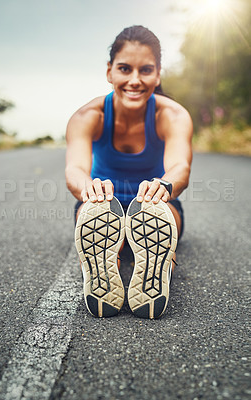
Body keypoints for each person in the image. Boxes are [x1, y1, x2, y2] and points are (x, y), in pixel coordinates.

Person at [65, 25, 193, 319]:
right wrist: (89, 187)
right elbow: (75, 169)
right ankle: (104, 262)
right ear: (110, 71)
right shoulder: (87, 116)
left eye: (145, 70)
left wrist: (164, 185)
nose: (135, 80)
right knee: (93, 210)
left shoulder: (172, 115)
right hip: (101, 203)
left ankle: (161, 265)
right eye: (125, 69)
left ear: (157, 74)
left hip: (156, 202)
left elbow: (180, 168)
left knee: (160, 214)